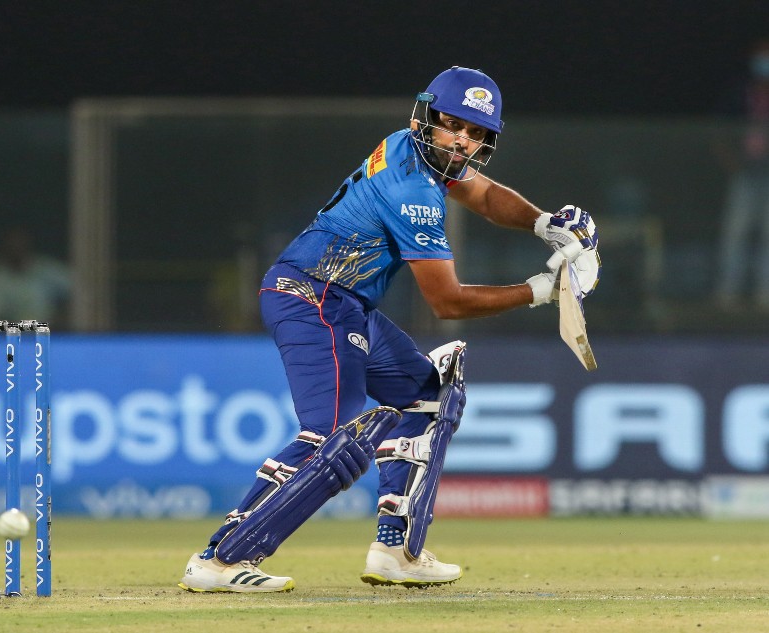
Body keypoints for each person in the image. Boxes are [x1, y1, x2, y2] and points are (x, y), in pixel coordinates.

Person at [178, 66, 600, 593]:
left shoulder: (411, 145)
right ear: (427, 117)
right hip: (313, 298)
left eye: (475, 133)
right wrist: (541, 290)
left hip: (343, 302)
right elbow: (446, 301)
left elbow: (486, 196)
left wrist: (545, 224)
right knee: (331, 438)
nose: (461, 141)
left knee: (428, 396)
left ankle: (395, 550)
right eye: (453, 125)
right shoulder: (412, 191)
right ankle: (219, 559)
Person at [715, 38, 769, 309]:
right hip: (745, 172)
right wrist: (730, 161)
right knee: (736, 232)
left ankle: (764, 293)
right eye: (761, 57)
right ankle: (729, 292)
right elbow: (720, 131)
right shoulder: (740, 94)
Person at [0, 225, 72, 324]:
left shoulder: (47, 269)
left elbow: (77, 291)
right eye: (12, 244)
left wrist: (62, 318)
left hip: (52, 330)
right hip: (13, 331)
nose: (17, 247)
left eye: (20, 242)